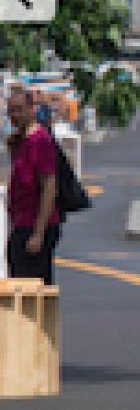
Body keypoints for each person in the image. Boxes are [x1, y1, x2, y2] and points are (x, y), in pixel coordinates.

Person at [6, 85, 65, 284]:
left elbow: (49, 185)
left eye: (19, 109)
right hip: (22, 222)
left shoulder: (40, 140)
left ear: (32, 109)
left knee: (31, 285)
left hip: (35, 225)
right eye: (11, 111)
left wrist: (38, 233)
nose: (14, 115)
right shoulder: (22, 140)